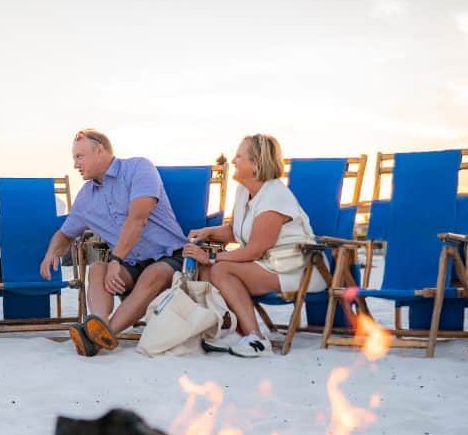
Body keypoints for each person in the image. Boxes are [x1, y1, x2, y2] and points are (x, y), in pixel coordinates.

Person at [40, 129, 188, 357]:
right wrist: (52, 252)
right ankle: (97, 323)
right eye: (74, 158)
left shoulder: (139, 168)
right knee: (97, 269)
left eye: (80, 157)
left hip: (171, 258)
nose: (75, 164)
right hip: (130, 265)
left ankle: (100, 336)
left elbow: (138, 219)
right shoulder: (85, 197)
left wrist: (116, 260)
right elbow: (65, 233)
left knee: (152, 273)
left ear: (99, 150)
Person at [184, 133, 323, 358]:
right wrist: (209, 232)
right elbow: (237, 230)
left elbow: (255, 248)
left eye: (239, 156)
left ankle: (256, 338)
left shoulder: (275, 196)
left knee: (220, 268)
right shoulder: (244, 192)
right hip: (267, 265)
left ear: (256, 165)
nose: (233, 160)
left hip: (296, 268)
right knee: (209, 270)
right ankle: (236, 331)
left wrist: (210, 257)